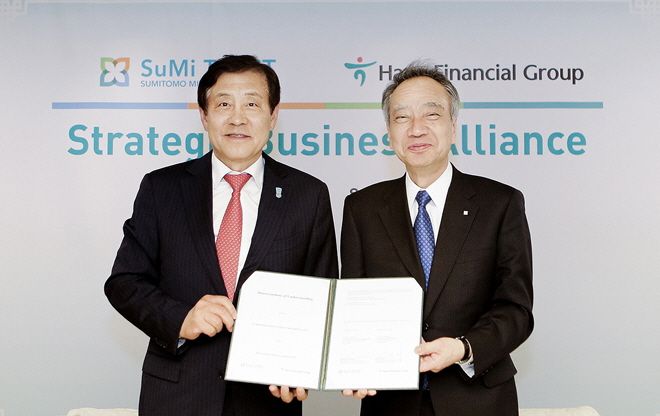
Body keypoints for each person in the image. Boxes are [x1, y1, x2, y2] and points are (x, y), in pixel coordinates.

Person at [105, 54, 338, 416]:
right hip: (176, 397)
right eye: (224, 104)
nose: (237, 118)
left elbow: (324, 297)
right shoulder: (161, 189)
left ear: (273, 116)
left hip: (267, 400)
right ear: (204, 115)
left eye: (252, 104)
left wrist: (302, 365)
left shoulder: (308, 195)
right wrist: (180, 318)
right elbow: (124, 282)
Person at [340, 61, 533, 416]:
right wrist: (354, 362)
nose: (417, 129)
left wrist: (463, 347)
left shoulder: (499, 203)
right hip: (391, 403)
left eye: (431, 114)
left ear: (453, 127)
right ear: (388, 132)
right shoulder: (361, 208)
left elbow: (516, 310)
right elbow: (353, 306)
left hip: (478, 400)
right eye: (402, 118)